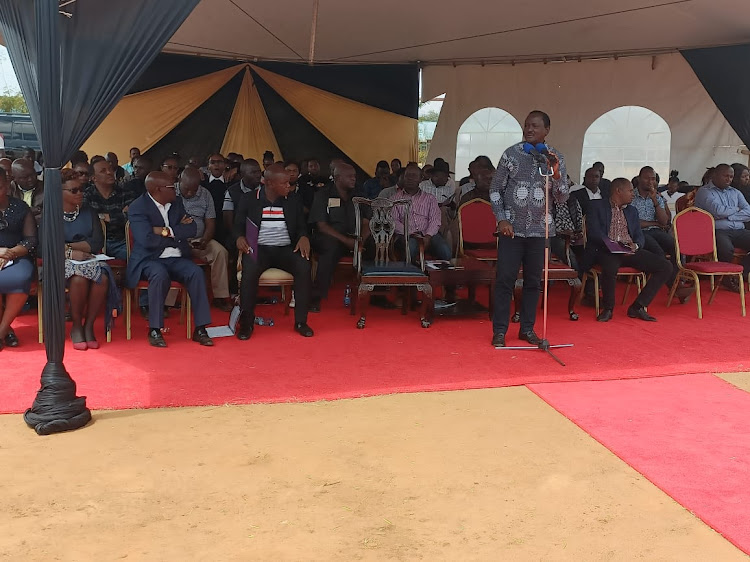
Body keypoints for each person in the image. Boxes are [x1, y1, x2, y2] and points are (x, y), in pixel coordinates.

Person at [490, 110, 568, 348]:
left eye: (535, 126)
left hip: (540, 231)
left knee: (534, 282)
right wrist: (501, 219)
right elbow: (495, 190)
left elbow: (562, 197)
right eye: (526, 126)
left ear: (547, 130)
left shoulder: (555, 157)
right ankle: (500, 331)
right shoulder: (511, 155)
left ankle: (527, 329)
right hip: (511, 230)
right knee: (505, 279)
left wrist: (555, 174)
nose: (529, 130)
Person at [125, 171, 213, 348]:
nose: (176, 189)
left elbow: (192, 229)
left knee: (196, 272)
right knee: (159, 274)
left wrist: (164, 231)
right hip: (149, 259)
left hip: (176, 257)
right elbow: (146, 239)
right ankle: (155, 329)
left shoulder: (176, 203)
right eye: (172, 187)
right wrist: (175, 232)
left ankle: (201, 328)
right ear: (158, 189)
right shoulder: (138, 207)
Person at [234, 164, 314, 339]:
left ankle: (301, 321)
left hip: (286, 249)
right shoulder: (249, 199)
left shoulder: (293, 200)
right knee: (249, 273)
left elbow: (301, 227)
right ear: (269, 183)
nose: (288, 186)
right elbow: (237, 226)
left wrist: (303, 237)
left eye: (289, 183)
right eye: (284, 183)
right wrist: (239, 237)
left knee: (304, 267)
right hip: (259, 249)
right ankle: (246, 324)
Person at [580, 178, 673, 322]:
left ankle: (638, 307)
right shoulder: (596, 206)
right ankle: (608, 308)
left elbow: (639, 235)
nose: (633, 194)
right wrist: (611, 244)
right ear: (618, 191)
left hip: (628, 249)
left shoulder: (632, 211)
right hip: (605, 249)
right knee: (610, 267)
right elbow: (594, 232)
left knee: (665, 266)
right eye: (630, 191)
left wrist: (636, 246)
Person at [56, 169, 120, 350]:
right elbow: (45, 247)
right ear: (59, 193)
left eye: (81, 189)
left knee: (103, 278)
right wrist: (70, 253)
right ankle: (76, 326)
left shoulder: (88, 211)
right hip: (61, 262)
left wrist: (67, 245)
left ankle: (89, 325)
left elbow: (96, 242)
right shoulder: (51, 214)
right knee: (78, 279)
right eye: (73, 190)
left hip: (89, 259)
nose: (80, 193)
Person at [309, 163, 370, 312]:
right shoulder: (323, 194)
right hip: (330, 236)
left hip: (356, 237)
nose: (354, 179)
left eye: (354, 176)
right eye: (350, 176)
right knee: (330, 247)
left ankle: (376, 293)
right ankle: (316, 297)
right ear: (337, 178)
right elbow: (321, 225)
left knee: (376, 245)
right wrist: (347, 241)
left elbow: (367, 222)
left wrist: (360, 240)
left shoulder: (359, 195)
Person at [178, 167, 231, 311]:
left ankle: (220, 297)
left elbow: (210, 222)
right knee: (170, 254)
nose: (189, 193)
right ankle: (168, 302)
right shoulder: (170, 193)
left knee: (220, 252)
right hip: (176, 240)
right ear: (179, 180)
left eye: (193, 190)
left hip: (199, 239)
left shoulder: (205, 194)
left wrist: (205, 240)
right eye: (186, 189)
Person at [694, 163, 750, 291]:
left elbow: (748, 211)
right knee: (726, 248)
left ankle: (743, 272)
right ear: (715, 175)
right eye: (726, 176)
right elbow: (717, 211)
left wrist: (729, 216)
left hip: (739, 229)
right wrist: (737, 210)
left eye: (731, 177)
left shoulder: (735, 192)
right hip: (717, 230)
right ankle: (725, 278)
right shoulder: (704, 191)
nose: (729, 179)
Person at [0, 167, 37, 350]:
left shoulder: (20, 207)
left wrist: (11, 252)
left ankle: (2, 331)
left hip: (17, 257)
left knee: (21, 276)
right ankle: (7, 331)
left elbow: (31, 239)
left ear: (7, 185)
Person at [391, 163, 451, 262]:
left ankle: (439, 276)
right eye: (407, 175)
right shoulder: (394, 199)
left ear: (421, 179)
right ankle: (412, 276)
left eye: (414, 176)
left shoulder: (430, 198)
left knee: (445, 251)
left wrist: (428, 236)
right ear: (403, 178)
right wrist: (411, 234)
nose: (410, 178)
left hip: (429, 234)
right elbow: (394, 222)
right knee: (410, 249)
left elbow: (435, 219)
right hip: (407, 235)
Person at [631, 166, 678, 289]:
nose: (650, 182)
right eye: (647, 178)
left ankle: (675, 282)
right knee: (659, 252)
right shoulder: (631, 196)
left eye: (653, 179)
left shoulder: (657, 197)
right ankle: (669, 284)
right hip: (639, 233)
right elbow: (633, 222)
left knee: (676, 247)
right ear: (639, 179)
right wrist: (654, 223)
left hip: (656, 231)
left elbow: (663, 221)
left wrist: (655, 201)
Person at [83, 158, 135, 261]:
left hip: (121, 242)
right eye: (103, 171)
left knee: (136, 256)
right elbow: (86, 220)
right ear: (93, 178)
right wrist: (116, 215)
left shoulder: (126, 193)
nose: (109, 172)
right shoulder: (86, 195)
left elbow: (132, 217)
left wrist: (106, 217)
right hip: (95, 243)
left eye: (110, 169)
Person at [10, 158, 44, 225]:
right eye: (25, 177)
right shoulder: (8, 189)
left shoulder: (46, 188)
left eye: (32, 174)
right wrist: (28, 211)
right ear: (14, 178)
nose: (30, 179)